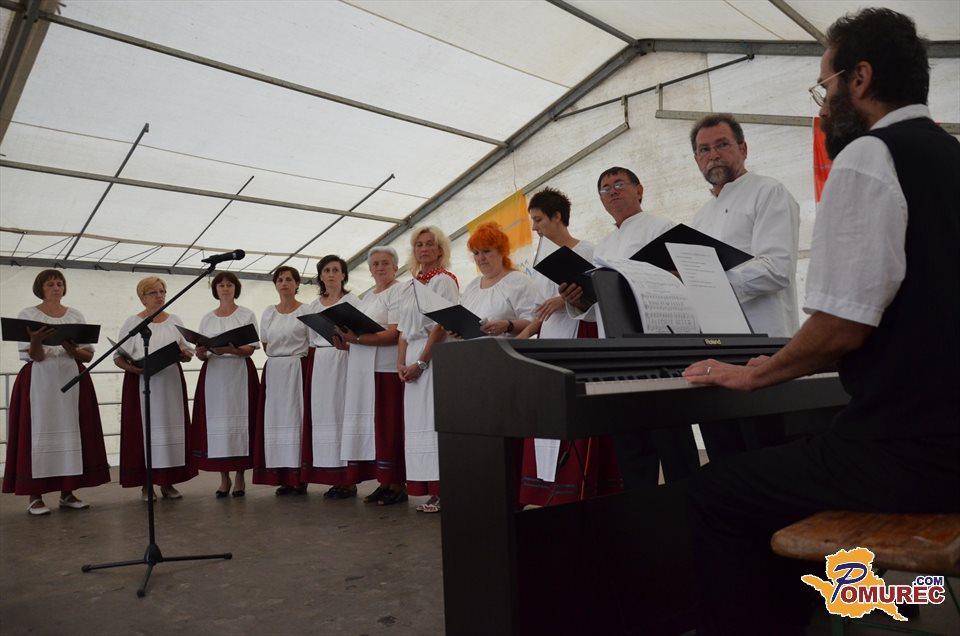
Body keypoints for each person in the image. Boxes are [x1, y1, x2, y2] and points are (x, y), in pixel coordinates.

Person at [682, 9, 959, 633]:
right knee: (787, 462)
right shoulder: (951, 155)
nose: (824, 103)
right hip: (945, 440)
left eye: (825, 85)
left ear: (859, 79)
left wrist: (755, 374)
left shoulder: (869, 156)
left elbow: (841, 326)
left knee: (713, 492)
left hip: (911, 451)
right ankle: (822, 608)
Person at [560, 167, 698, 488]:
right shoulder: (602, 248)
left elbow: (686, 284)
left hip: (659, 351)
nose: (612, 191)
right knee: (631, 447)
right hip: (618, 356)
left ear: (639, 190)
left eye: (619, 184)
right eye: (605, 188)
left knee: (673, 442)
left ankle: (690, 509)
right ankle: (642, 512)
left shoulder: (664, 229)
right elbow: (599, 311)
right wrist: (579, 300)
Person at [687, 113, 801, 460]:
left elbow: (776, 268)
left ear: (743, 148)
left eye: (722, 144)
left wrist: (709, 284)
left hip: (762, 351)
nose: (713, 155)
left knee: (768, 455)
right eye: (704, 149)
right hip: (714, 352)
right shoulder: (700, 218)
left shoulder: (769, 192)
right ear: (697, 160)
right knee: (725, 457)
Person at [515, 189, 622, 507]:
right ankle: (546, 489)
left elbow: (598, 296)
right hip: (550, 339)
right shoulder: (543, 261)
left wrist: (563, 300)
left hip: (580, 336)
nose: (535, 227)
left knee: (575, 413)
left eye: (538, 220)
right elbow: (541, 311)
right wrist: (525, 336)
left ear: (557, 217)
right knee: (547, 413)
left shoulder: (588, 250)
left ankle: (577, 488)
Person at [2, 270, 110, 514]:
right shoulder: (28, 314)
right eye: (50, 284)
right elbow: (35, 356)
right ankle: (35, 496)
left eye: (60, 283)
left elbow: (87, 355)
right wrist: (36, 340)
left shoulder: (75, 315)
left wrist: (72, 349)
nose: (56, 288)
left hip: (72, 378)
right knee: (38, 430)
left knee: (72, 430)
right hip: (40, 380)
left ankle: (67, 492)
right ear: (40, 288)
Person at [335, 247, 408, 506]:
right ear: (369, 269)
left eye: (385, 263)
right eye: (375, 264)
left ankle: (397, 483)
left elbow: (395, 334)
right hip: (363, 370)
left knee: (389, 426)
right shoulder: (367, 296)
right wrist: (344, 341)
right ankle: (383, 481)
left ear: (395, 267)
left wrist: (355, 339)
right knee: (374, 428)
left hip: (385, 368)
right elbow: (360, 334)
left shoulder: (399, 291)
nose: (380, 267)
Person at [114, 276, 196, 501]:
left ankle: (167, 482)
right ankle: (146, 485)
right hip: (143, 383)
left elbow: (187, 351)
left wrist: (184, 354)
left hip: (170, 383)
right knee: (146, 432)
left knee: (170, 430)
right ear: (142, 298)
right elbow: (118, 357)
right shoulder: (133, 322)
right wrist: (136, 370)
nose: (159, 296)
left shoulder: (174, 320)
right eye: (153, 292)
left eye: (162, 291)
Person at [397, 225, 459, 513]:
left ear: (440, 249)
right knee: (418, 424)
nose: (424, 249)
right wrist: (400, 362)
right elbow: (402, 329)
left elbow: (441, 325)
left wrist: (421, 362)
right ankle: (431, 489)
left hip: (432, 357)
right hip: (411, 355)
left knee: (434, 421)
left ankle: (445, 490)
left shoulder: (443, 281)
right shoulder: (410, 285)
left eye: (429, 244)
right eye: (419, 244)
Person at [302, 255, 371, 498]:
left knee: (342, 413)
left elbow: (362, 333)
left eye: (335, 270)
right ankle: (332, 475)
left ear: (343, 275)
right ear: (320, 276)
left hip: (345, 359)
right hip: (321, 362)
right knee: (324, 416)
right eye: (326, 270)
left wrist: (349, 344)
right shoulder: (313, 305)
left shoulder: (353, 301)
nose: (331, 274)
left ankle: (348, 479)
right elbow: (310, 338)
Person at [191, 271, 259, 498]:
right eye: (221, 285)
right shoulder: (207, 318)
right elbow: (201, 353)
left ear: (236, 288)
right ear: (215, 290)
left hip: (239, 372)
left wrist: (232, 349)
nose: (225, 288)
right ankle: (224, 478)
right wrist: (201, 351)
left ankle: (240, 477)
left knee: (240, 423)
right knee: (217, 426)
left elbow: (250, 348)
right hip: (214, 375)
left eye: (230, 285)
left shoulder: (246, 314)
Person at [253, 266, 310, 495]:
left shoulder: (306, 310)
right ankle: (281, 476)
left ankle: (298, 477)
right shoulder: (269, 312)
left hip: (297, 368)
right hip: (275, 370)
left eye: (289, 279)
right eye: (280, 280)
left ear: (297, 284)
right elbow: (266, 343)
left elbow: (311, 341)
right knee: (275, 421)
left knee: (296, 418)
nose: (284, 283)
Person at [458, 222, 537, 339]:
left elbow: (535, 321)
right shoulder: (471, 287)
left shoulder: (518, 281)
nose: (480, 258)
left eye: (486, 251)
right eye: (476, 253)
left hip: (506, 350)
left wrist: (509, 325)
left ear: (501, 251)